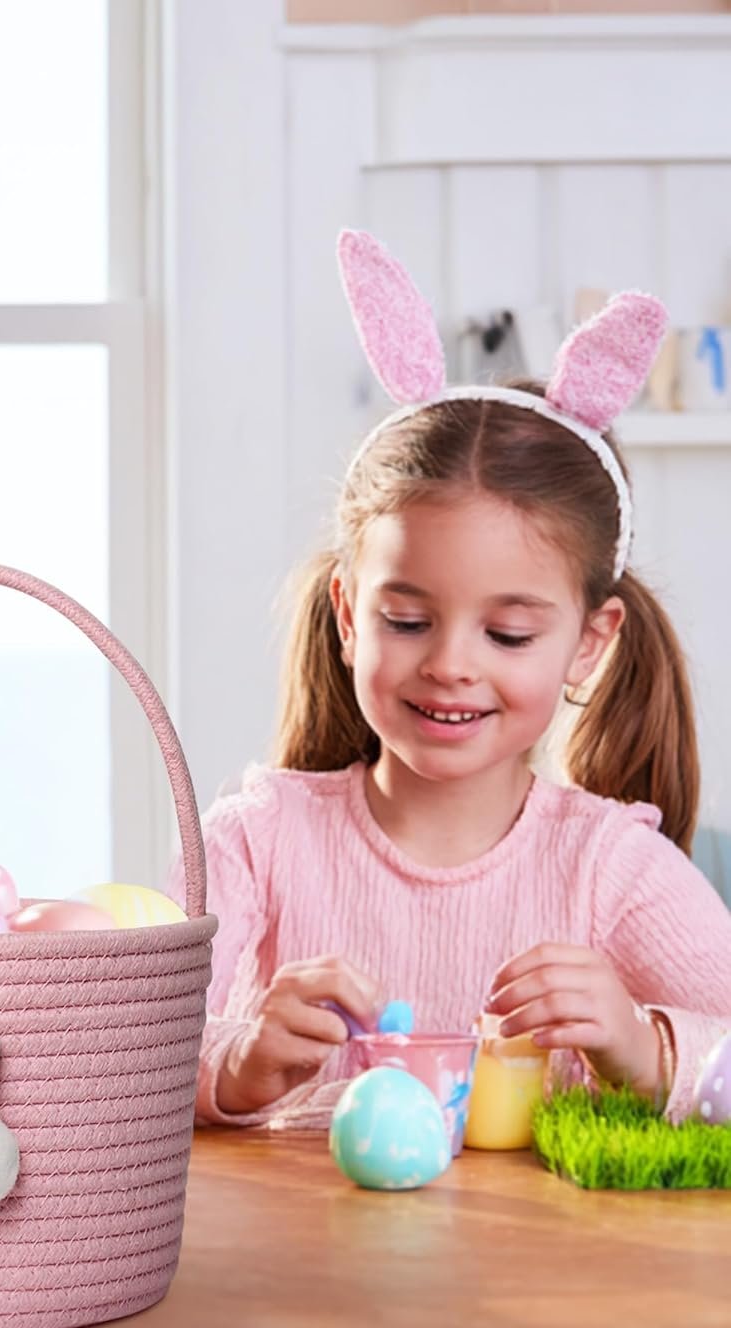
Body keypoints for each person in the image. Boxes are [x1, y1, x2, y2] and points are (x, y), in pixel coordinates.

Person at [173, 230, 731, 1131]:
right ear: (348, 613)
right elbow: (115, 1050)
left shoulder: (611, 870)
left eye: (508, 633)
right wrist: (234, 1065)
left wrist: (645, 1046)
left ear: (589, 643)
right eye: (407, 620)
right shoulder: (256, 844)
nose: (450, 665)